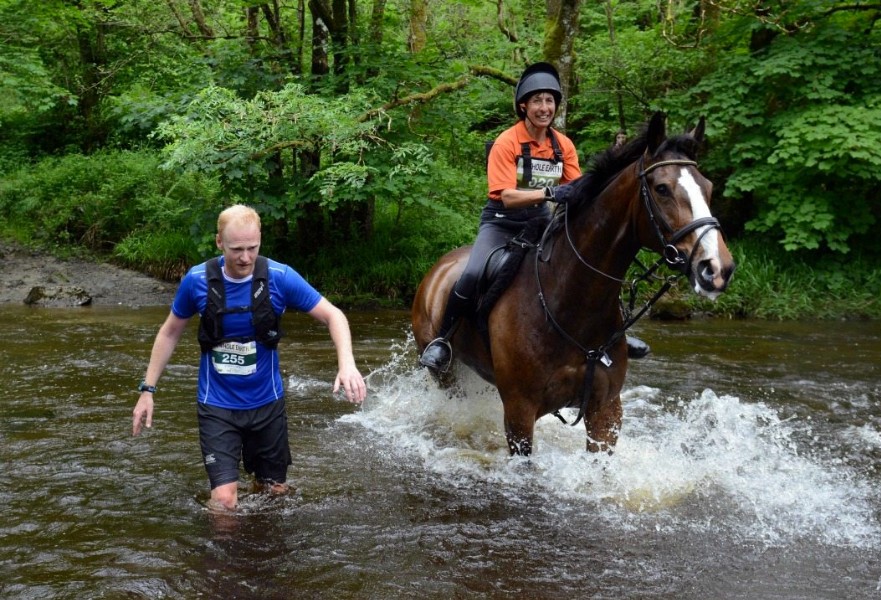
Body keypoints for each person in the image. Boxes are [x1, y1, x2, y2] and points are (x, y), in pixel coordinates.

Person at [131, 204, 367, 512]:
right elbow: (169, 333)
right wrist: (147, 390)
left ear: (260, 241)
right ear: (219, 242)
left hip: (267, 405)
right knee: (224, 500)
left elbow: (333, 315)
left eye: (252, 248)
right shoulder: (197, 280)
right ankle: (224, 560)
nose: (245, 258)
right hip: (216, 406)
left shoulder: (281, 278)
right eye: (236, 249)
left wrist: (346, 362)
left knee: (273, 493)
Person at [419, 62, 647, 372]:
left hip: (541, 222)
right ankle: (443, 339)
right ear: (523, 105)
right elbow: (507, 195)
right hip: (501, 223)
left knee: (588, 265)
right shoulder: (506, 142)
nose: (544, 108)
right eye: (537, 101)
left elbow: (578, 189)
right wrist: (551, 195)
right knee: (472, 274)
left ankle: (612, 334)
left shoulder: (563, 145)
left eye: (550, 101)